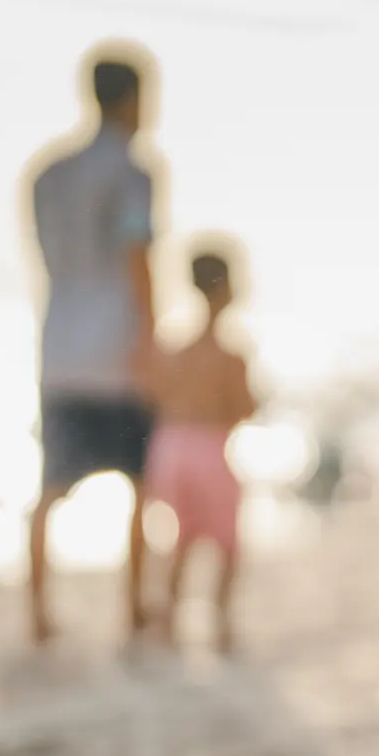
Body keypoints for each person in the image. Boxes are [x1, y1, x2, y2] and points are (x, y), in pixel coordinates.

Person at [26, 50, 161, 645]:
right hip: (118, 348)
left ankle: (38, 613)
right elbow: (138, 258)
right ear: (132, 99)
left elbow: (46, 259)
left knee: (51, 488)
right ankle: (132, 606)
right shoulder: (132, 171)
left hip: (59, 345)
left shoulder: (47, 173)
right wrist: (152, 340)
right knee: (141, 482)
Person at [147, 251, 256, 653]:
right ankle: (221, 620)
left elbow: (155, 396)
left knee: (182, 538)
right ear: (226, 289)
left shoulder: (176, 349)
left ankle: (170, 620)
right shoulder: (229, 354)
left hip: (170, 446)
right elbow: (243, 407)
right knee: (227, 542)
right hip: (210, 448)